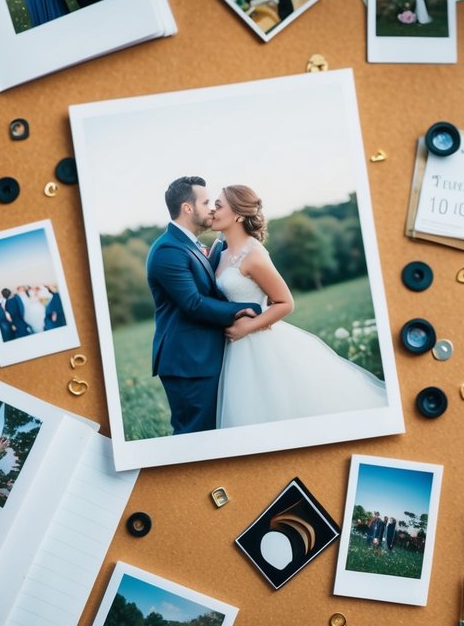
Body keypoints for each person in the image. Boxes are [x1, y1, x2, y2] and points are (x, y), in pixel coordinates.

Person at [211, 185, 387, 428]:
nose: (213, 210)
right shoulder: (219, 251)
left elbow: (285, 302)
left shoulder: (253, 255)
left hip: (256, 342)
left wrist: (247, 328)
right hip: (234, 348)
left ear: (239, 215)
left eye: (219, 205)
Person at [146, 176, 262, 435]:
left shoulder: (191, 245)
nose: (211, 208)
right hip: (188, 361)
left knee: (211, 432)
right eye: (206, 202)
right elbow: (193, 303)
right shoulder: (168, 250)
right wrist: (244, 309)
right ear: (188, 208)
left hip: (201, 357)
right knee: (194, 436)